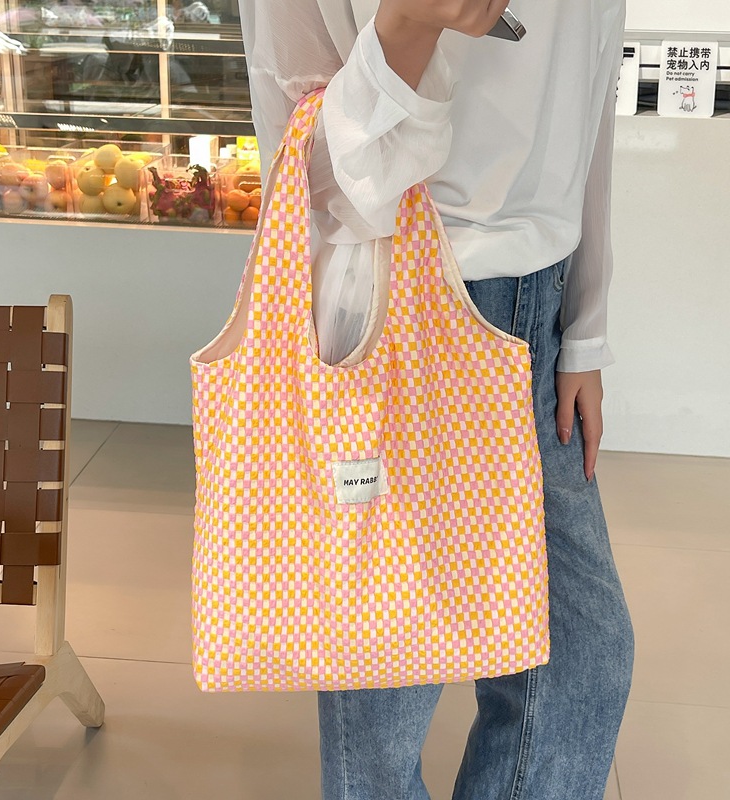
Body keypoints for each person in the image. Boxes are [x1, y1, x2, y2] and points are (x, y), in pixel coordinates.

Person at [237, 1, 635, 798]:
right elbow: (309, 177)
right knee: (385, 691)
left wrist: (584, 327)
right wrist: (408, 30)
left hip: (538, 310)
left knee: (581, 660)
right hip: (395, 301)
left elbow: (590, 102)